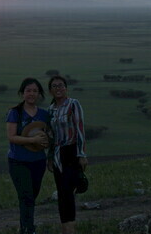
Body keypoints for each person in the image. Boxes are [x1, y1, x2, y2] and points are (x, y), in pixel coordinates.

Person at [6, 77, 51, 234]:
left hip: (38, 161)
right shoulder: (15, 112)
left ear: (39, 94)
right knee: (26, 196)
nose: (31, 94)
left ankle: (24, 228)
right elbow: (11, 137)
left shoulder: (45, 115)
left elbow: (49, 136)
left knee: (31, 197)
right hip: (18, 161)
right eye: (28, 90)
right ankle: (29, 229)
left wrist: (47, 144)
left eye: (34, 91)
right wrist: (32, 139)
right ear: (22, 93)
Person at [47, 75, 87, 234]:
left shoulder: (73, 104)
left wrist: (81, 154)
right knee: (62, 193)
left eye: (61, 85)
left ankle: (70, 229)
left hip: (71, 151)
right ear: (50, 91)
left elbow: (80, 129)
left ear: (66, 88)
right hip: (57, 154)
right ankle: (65, 227)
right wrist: (49, 157)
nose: (58, 88)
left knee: (68, 191)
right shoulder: (50, 109)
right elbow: (50, 135)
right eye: (55, 86)